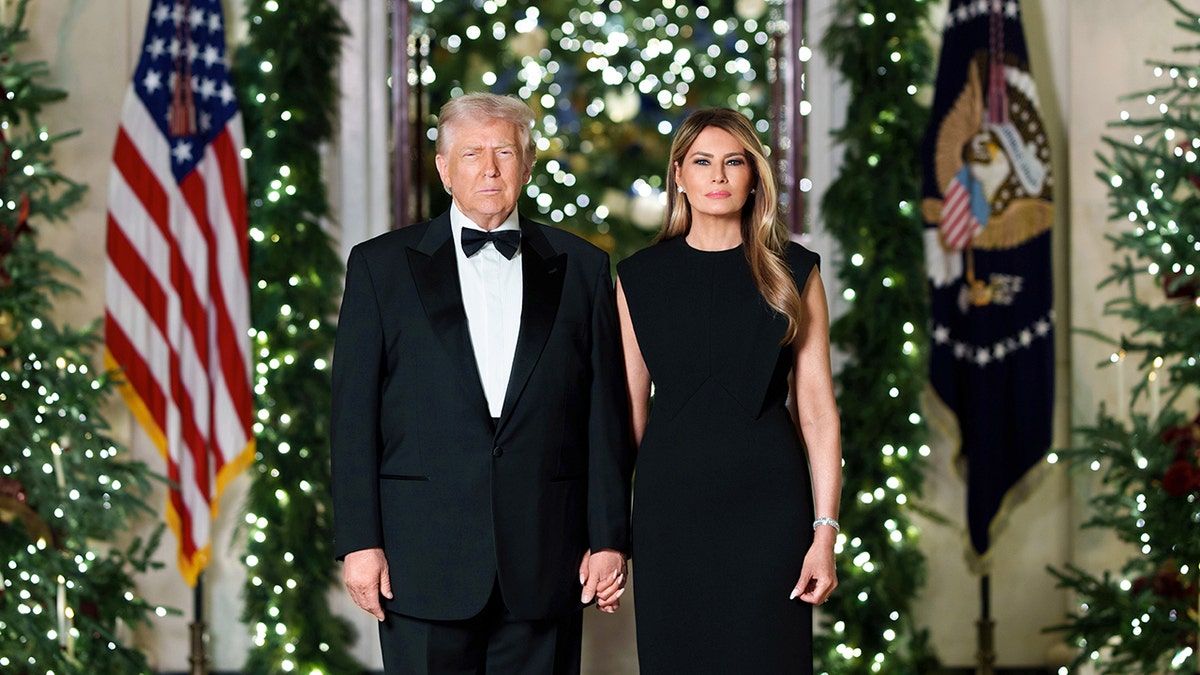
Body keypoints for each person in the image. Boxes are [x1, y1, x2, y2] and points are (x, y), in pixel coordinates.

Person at [331, 92, 632, 675]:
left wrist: (609, 537)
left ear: (527, 163)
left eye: (504, 152)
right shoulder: (379, 267)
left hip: (547, 554)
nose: (489, 169)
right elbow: (353, 417)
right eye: (471, 153)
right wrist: (359, 541)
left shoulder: (584, 267)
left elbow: (605, 415)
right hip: (419, 557)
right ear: (444, 169)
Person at [616, 108, 842, 673]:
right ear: (679, 175)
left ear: (753, 176)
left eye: (733, 162)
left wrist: (824, 533)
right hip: (670, 512)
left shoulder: (794, 270)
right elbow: (627, 418)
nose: (718, 176)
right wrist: (607, 535)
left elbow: (816, 412)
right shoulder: (638, 277)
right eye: (703, 162)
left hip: (770, 510)